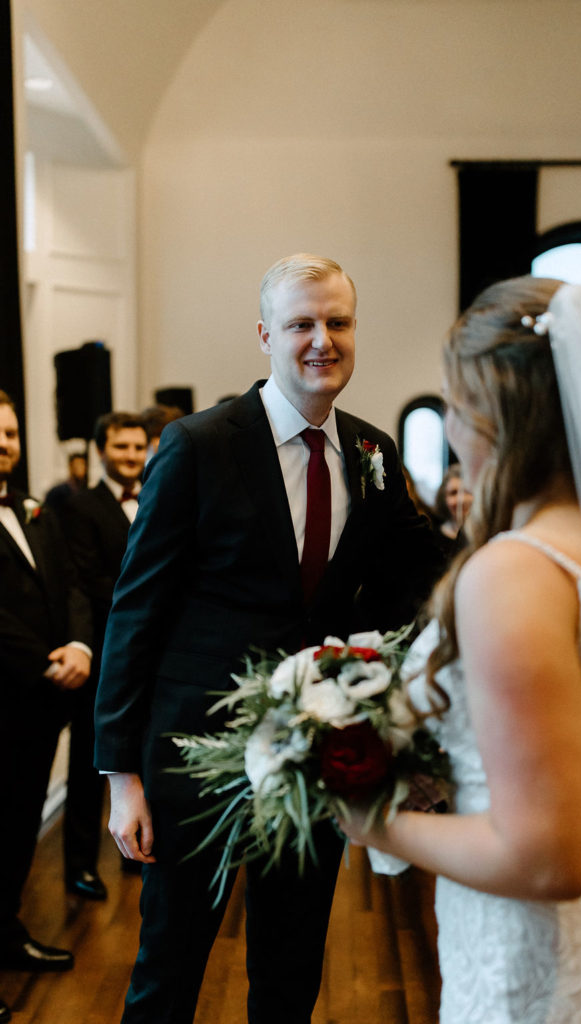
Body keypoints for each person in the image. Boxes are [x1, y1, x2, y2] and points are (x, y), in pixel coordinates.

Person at [93, 253, 443, 1024]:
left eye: (338, 322)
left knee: (290, 973)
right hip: (193, 755)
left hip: (316, 753)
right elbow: (135, 609)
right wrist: (121, 778)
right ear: (265, 335)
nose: (323, 340)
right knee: (169, 972)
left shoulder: (372, 452)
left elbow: (420, 582)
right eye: (301, 325)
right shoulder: (198, 444)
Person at [340, 277, 581, 1022]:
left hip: (539, 958)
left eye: (452, 404)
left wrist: (371, 820)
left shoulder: (514, 573)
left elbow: (546, 856)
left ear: (493, 413)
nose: (452, 433)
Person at [0, 391, 92, 1024]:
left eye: (8, 432)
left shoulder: (36, 511)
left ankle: (7, 935)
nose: (4, 443)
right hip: (4, 694)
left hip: (39, 710)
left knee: (16, 834)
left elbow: (73, 584)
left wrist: (82, 644)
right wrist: (44, 660)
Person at [60, 411, 148, 899]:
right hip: (103, 653)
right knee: (88, 767)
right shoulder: (80, 508)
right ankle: (79, 866)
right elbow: (84, 580)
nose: (131, 456)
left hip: (149, 657)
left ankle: (133, 850)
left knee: (141, 761)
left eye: (138, 447)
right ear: (101, 451)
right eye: (121, 447)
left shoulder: (156, 494)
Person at [431, 462, 472, 560]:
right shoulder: (432, 539)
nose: (461, 499)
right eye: (453, 493)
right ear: (443, 498)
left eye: (467, 492)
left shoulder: (485, 536)